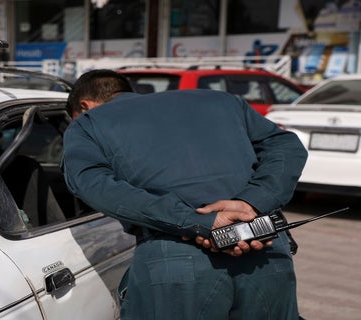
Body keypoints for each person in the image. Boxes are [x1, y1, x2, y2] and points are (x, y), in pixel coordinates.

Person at [61, 69, 308, 319]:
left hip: (176, 258)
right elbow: (286, 146)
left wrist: (197, 222)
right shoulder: (222, 100)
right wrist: (252, 202)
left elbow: (93, 184)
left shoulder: (89, 122)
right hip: (262, 247)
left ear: (84, 105)